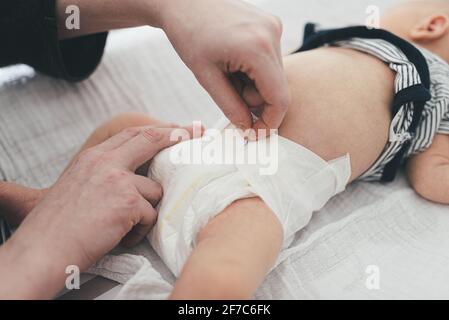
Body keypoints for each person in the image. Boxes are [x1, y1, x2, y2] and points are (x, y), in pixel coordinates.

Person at [7, 0, 448, 299]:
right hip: (198, 143)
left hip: (258, 189)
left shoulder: (437, 92)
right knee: (126, 129)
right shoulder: (343, 44)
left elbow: (433, 175)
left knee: (231, 258)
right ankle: (45, 204)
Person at [0, 0, 289, 299]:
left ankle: (43, 203)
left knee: (129, 129)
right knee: (226, 263)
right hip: (241, 185)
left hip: (191, 163)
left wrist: (166, 7)